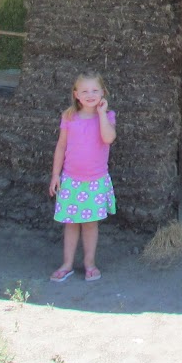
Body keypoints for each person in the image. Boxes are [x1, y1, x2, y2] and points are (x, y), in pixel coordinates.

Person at [49, 73, 116, 282]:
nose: (90, 95)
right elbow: (61, 146)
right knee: (71, 223)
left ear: (103, 93)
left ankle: (90, 263)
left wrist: (102, 114)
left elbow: (108, 138)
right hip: (71, 180)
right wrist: (55, 175)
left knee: (89, 224)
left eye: (95, 90)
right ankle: (67, 264)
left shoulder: (108, 117)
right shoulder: (69, 117)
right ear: (76, 94)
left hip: (95, 181)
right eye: (85, 91)